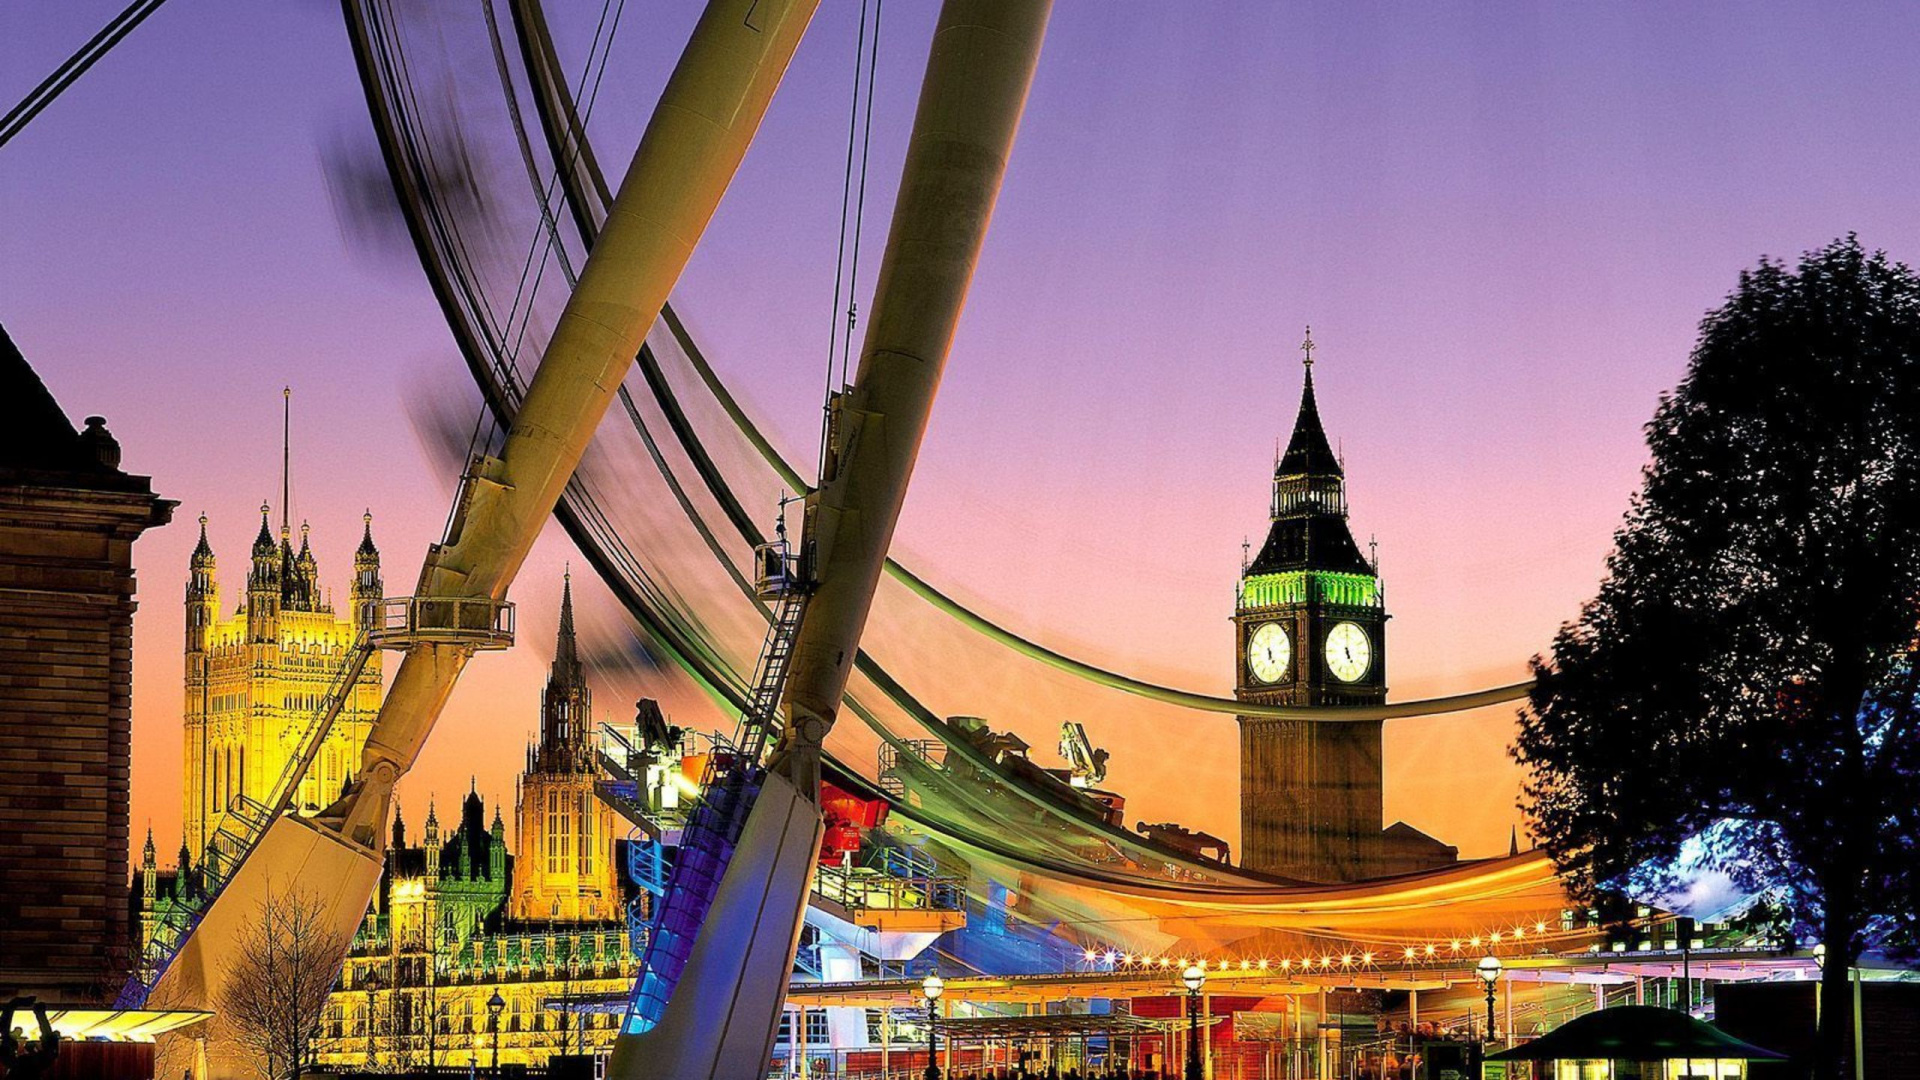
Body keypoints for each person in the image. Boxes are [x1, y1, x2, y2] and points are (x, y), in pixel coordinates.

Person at [0, 998, 61, 1080]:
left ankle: (12, 1008)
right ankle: (13, 1008)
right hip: (28, 1068)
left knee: (6, 1043)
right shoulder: (37, 1063)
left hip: (23, 1069)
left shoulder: (15, 1064)